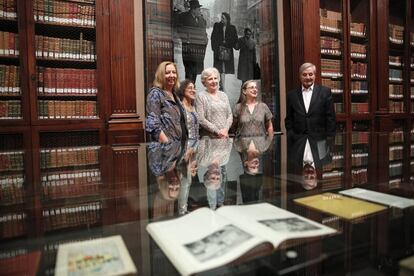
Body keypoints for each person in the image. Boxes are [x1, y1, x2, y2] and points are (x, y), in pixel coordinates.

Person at [285, 62, 336, 137]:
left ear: (315, 75)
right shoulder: (292, 95)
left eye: (310, 74)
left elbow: (330, 118)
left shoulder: (325, 92)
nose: (308, 77)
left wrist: (329, 139)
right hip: (299, 140)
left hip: (320, 140)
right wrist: (292, 135)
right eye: (304, 75)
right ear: (300, 76)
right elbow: (289, 119)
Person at [146, 61, 187, 142]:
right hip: (165, 149)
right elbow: (153, 124)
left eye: (174, 72)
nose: (172, 75)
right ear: (161, 75)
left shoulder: (175, 95)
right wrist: (167, 144)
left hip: (179, 147)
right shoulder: (155, 93)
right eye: (167, 73)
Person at [195, 67, 232, 138]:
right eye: (210, 79)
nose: (214, 81)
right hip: (208, 139)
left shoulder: (224, 95)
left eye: (215, 78)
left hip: (224, 137)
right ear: (204, 82)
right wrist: (217, 132)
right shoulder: (201, 96)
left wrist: (225, 130)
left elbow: (230, 115)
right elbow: (201, 119)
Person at [177, 0, 208, 83]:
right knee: (188, 71)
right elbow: (179, 30)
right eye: (198, 9)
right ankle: (188, 89)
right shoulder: (184, 17)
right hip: (188, 50)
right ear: (193, 9)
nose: (200, 11)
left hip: (198, 51)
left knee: (195, 72)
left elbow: (204, 33)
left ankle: (192, 87)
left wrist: (205, 40)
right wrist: (186, 40)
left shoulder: (201, 20)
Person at [211, 12, 238, 90]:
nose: (222, 19)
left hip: (227, 51)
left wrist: (227, 43)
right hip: (218, 50)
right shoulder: (217, 26)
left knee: (224, 69)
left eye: (223, 18)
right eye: (221, 18)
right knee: (219, 68)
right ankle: (221, 85)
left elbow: (235, 39)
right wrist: (215, 48)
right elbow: (213, 38)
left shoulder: (232, 28)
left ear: (227, 19)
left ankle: (222, 85)